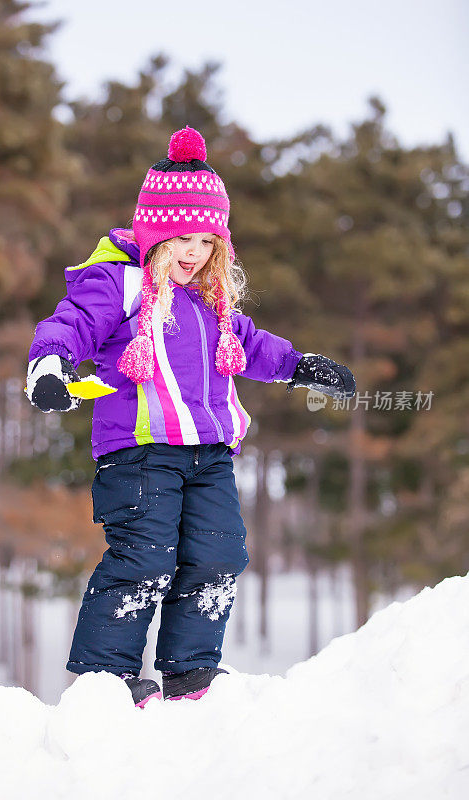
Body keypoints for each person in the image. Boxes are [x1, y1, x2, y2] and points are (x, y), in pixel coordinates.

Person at [25, 126, 355, 707]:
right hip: (139, 451)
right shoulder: (119, 281)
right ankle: (108, 680)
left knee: (220, 554)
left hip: (209, 453)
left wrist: (300, 366)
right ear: (156, 229)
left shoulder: (211, 299)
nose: (194, 252)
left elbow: (251, 346)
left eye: (208, 241)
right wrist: (49, 366)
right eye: (183, 236)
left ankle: (190, 673)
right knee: (144, 560)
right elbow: (71, 323)